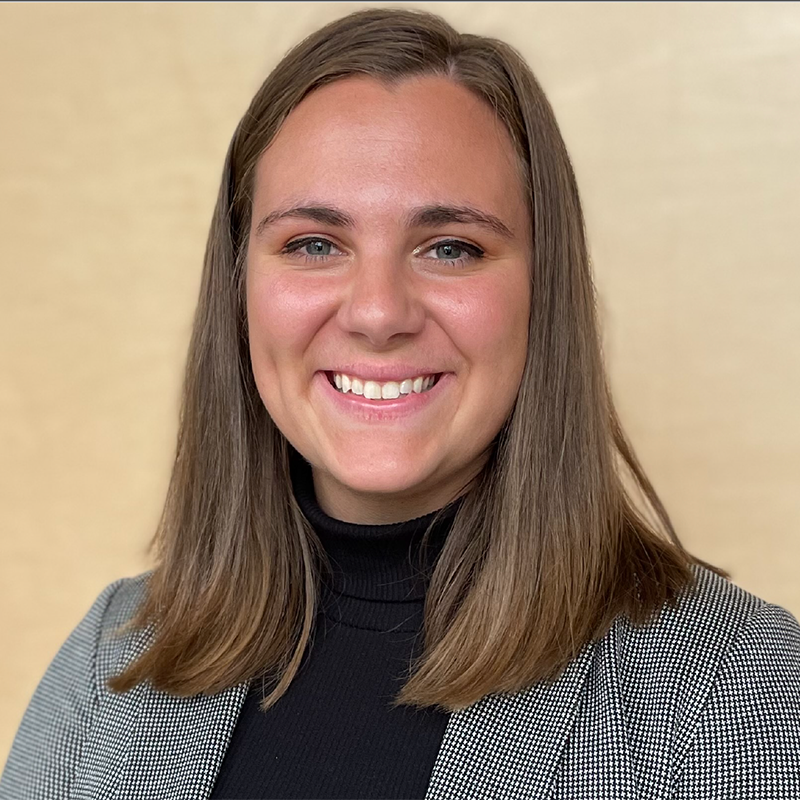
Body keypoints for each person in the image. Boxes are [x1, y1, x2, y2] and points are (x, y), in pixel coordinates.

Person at [2, 7, 798, 799]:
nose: (378, 313)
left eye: (451, 247)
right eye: (314, 243)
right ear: (239, 290)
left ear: (541, 291)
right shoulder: (110, 661)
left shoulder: (734, 694)